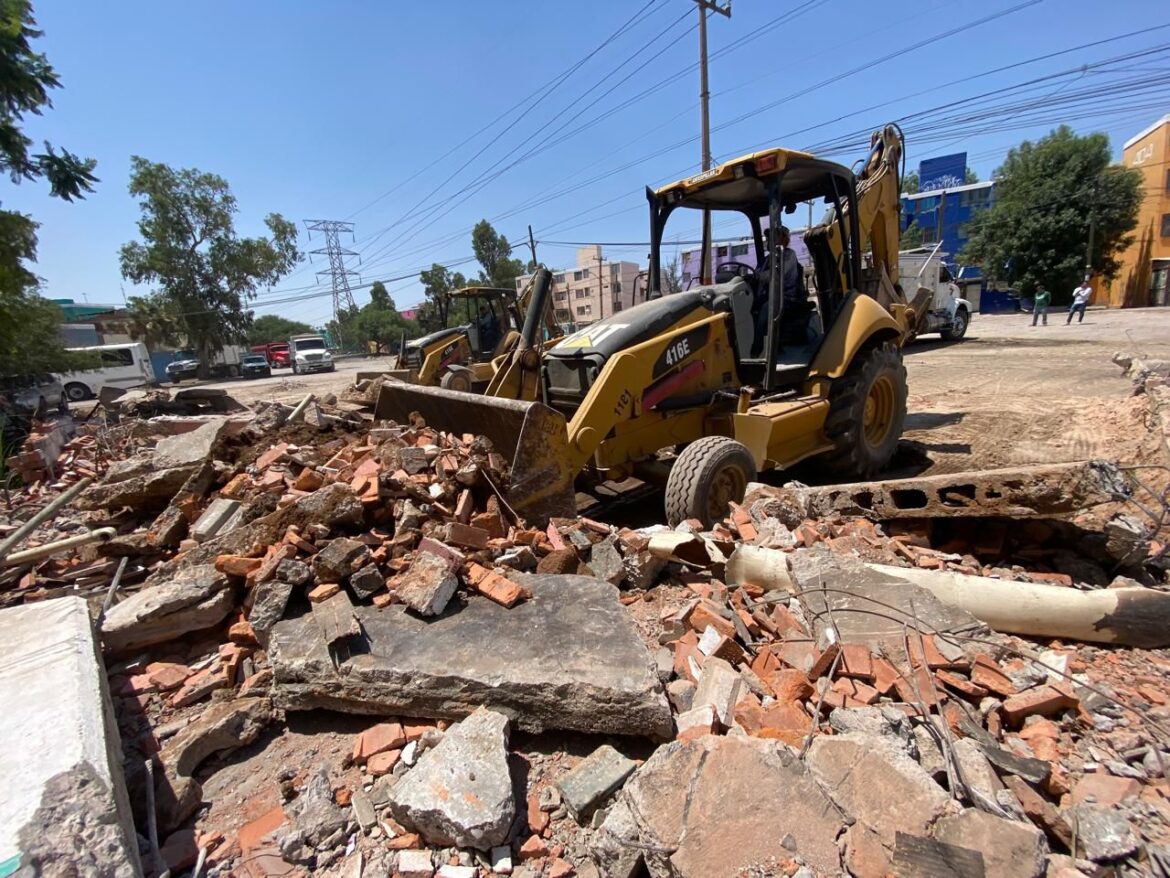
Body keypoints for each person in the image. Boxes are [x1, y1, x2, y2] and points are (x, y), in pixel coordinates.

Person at [751, 226, 805, 356]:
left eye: (773, 237)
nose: (769, 240)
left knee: (765, 309)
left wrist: (759, 276)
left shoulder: (788, 255)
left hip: (787, 298)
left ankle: (756, 350)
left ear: (784, 239)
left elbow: (777, 273)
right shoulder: (767, 259)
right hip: (771, 297)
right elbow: (757, 274)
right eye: (768, 238)